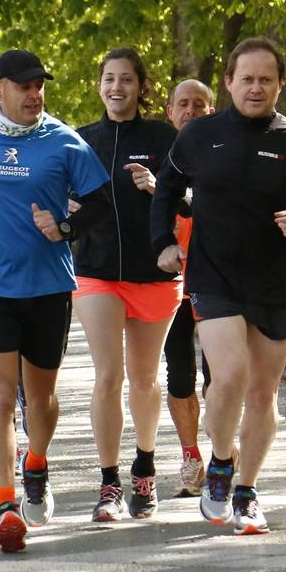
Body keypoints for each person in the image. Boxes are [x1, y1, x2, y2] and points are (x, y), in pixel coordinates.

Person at [151, 37, 286, 534]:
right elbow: (166, 188)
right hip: (213, 275)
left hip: (274, 282)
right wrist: (163, 243)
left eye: (266, 79)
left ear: (280, 84)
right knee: (228, 375)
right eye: (247, 79)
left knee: (262, 393)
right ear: (229, 82)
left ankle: (248, 492)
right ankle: (219, 460)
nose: (256, 88)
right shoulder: (198, 136)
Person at [0, 49, 112, 553]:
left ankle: (36, 462)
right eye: (25, 85)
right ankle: (5, 504)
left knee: (40, 397)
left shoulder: (64, 141)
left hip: (47, 285)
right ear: (1, 88)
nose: (35, 94)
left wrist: (65, 227)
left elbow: (100, 200)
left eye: (40, 86)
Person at [73, 49, 182, 522]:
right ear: (99, 85)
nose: (116, 88)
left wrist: (159, 187)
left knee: (144, 378)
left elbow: (192, 197)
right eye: (108, 79)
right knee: (107, 376)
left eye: (126, 80)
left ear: (141, 87)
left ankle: (145, 468)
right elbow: (61, 194)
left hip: (153, 272)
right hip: (95, 271)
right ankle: (109, 483)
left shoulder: (164, 137)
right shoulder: (80, 140)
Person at [161, 79, 215, 496]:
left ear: (212, 111)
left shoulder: (226, 153)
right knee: (180, 375)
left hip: (219, 279)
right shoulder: (157, 158)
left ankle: (224, 457)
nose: (191, 111)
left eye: (200, 104)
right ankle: (191, 457)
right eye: (184, 104)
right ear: (170, 110)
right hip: (169, 282)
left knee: (222, 378)